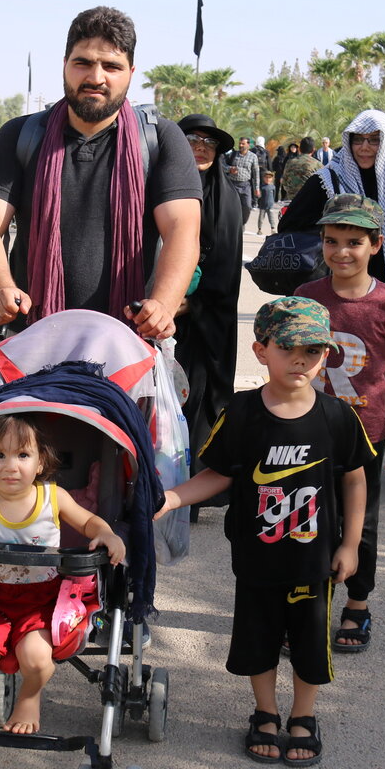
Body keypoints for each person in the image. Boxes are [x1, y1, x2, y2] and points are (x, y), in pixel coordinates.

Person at [156, 297, 372, 766]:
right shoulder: (243, 412)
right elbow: (220, 474)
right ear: (261, 350)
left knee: (311, 644)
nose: (301, 359)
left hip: (314, 562)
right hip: (256, 560)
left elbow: (355, 480)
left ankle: (304, 716)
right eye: (289, 347)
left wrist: (351, 543)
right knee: (258, 640)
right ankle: (266, 712)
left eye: (314, 350)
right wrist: (173, 497)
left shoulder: (338, 417)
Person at [0, 5, 202, 340]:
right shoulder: (20, 136)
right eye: (83, 63)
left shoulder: (161, 139)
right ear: (65, 65)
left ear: (130, 72)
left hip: (130, 342)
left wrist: (163, 304)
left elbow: (182, 229)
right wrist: (0, 287)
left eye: (111, 66)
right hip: (32, 337)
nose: (96, 77)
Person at [0, 414, 126, 743]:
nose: (10, 466)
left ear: (39, 463)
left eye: (22, 455)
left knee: (36, 658)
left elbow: (90, 521)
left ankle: (30, 697)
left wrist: (107, 534)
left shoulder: (53, 497)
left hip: (42, 601)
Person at [294, 195, 385, 652]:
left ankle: (357, 604)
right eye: (331, 242)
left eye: (354, 242)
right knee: (307, 519)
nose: (341, 252)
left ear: (376, 245)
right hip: (309, 431)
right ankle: (310, 603)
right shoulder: (307, 298)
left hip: (365, 433)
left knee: (359, 524)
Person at [280, 110, 385, 330]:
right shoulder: (328, 181)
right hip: (340, 294)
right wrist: (336, 230)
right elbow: (289, 225)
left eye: (374, 139)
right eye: (358, 139)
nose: (364, 147)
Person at [174, 114, 243, 509]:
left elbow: (226, 265)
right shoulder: (160, 187)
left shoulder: (225, 196)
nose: (201, 147)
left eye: (209, 143)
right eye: (193, 139)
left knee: (197, 399)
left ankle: (195, 492)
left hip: (204, 320)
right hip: (159, 314)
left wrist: (194, 304)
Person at [223, 135, 261, 228]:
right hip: (232, 184)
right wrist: (229, 169)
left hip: (245, 185)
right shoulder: (232, 155)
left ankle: (242, 223)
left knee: (247, 206)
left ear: (248, 145)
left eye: (243, 143)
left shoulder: (253, 157)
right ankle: (232, 224)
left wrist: (257, 188)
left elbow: (256, 173)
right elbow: (222, 165)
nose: (240, 145)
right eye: (239, 143)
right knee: (231, 206)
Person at [281, 137, 323, 202]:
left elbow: (284, 182)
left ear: (299, 149)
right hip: (309, 201)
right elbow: (323, 184)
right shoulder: (317, 164)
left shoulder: (290, 162)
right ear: (313, 150)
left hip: (292, 200)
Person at [256, 171, 278, 236]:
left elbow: (274, 195)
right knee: (261, 218)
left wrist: (273, 202)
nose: (268, 179)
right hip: (262, 205)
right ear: (263, 178)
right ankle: (259, 229)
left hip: (270, 205)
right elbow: (259, 196)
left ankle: (273, 229)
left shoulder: (273, 187)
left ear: (272, 179)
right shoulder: (262, 187)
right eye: (266, 178)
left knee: (271, 217)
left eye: (269, 178)